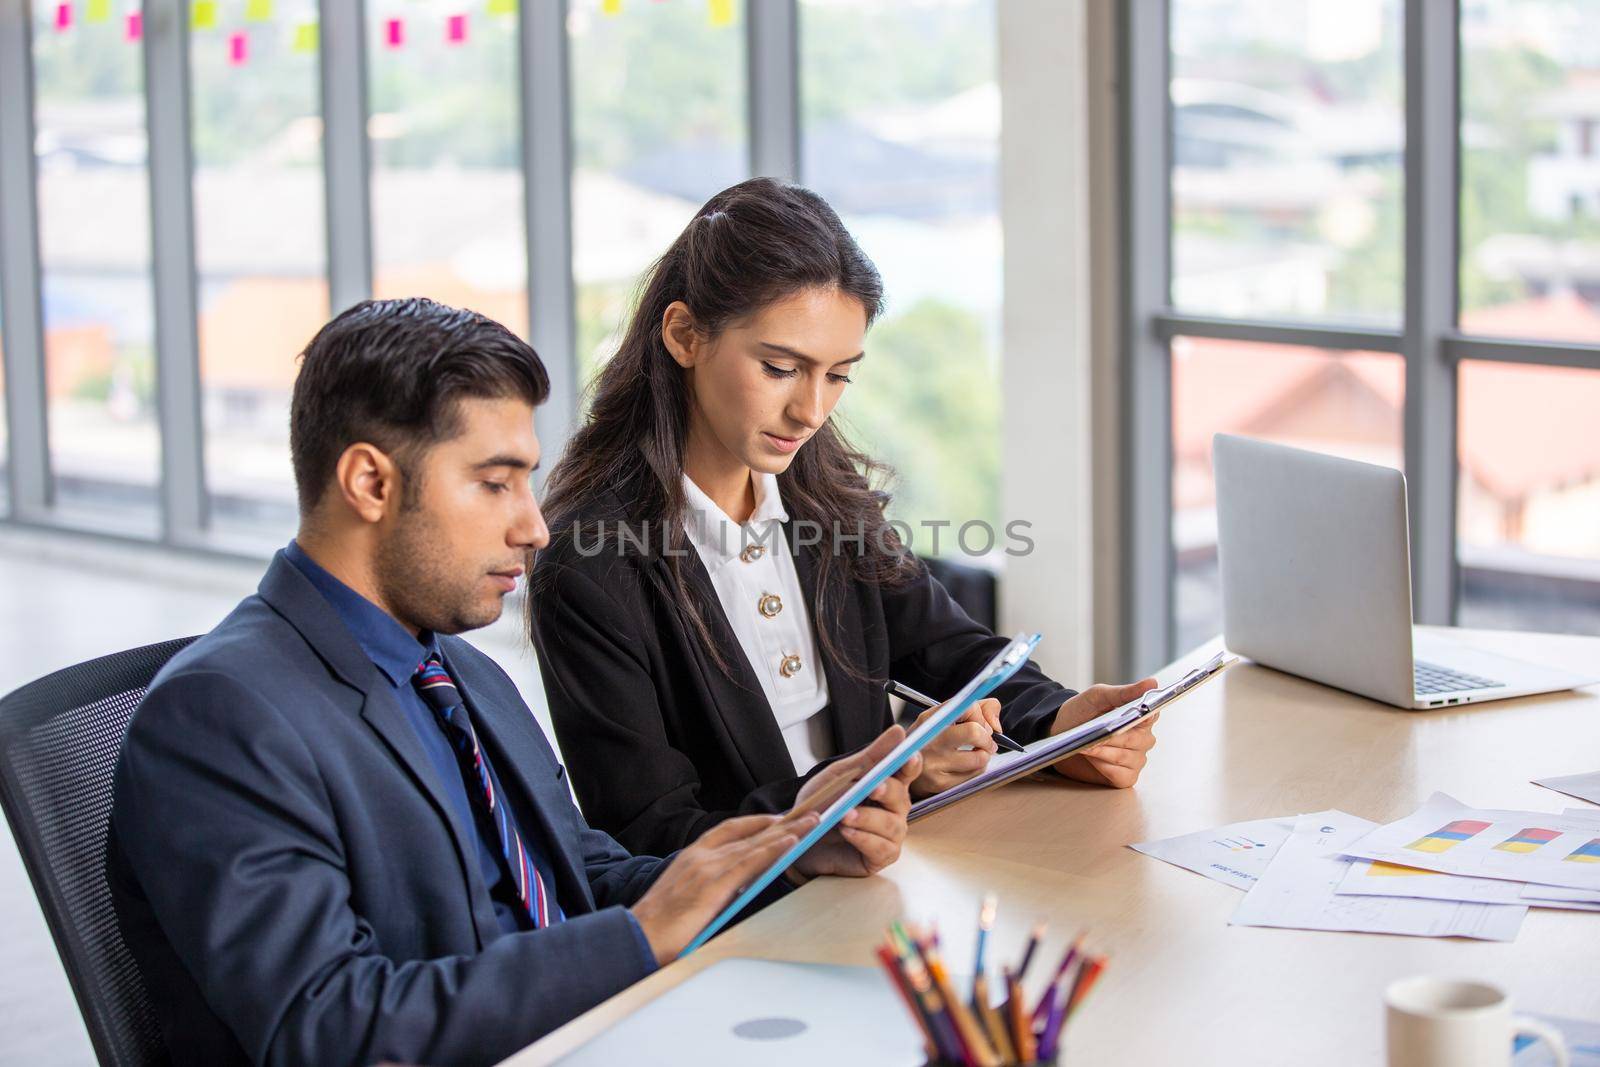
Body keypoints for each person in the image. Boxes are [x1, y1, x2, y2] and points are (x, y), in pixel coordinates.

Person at [106, 297, 918, 1067]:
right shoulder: (221, 715)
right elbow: (329, 1025)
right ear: (370, 483)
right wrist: (639, 940)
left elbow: (579, 874)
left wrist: (783, 855)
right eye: (495, 483)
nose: (533, 527)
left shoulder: (460, 671)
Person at [528, 177, 1159, 861]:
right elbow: (648, 834)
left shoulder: (818, 489)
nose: (812, 411)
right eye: (779, 367)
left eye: (839, 374)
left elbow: (949, 649)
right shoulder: (589, 561)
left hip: (875, 885)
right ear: (683, 334)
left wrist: (1063, 724)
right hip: (750, 930)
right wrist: (884, 783)